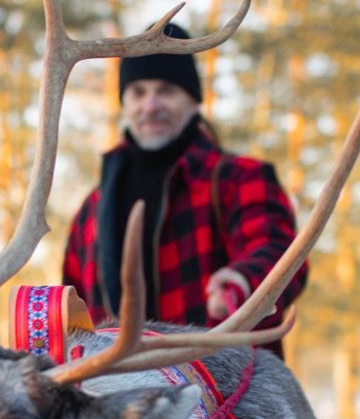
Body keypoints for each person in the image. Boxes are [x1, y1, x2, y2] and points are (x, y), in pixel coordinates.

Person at [62, 22, 307, 354]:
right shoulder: (92, 209)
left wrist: (241, 282)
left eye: (165, 90)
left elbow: (277, 252)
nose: (150, 106)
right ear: (125, 102)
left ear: (193, 100)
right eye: (138, 92)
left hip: (222, 391)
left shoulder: (240, 178)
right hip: (119, 395)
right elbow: (72, 310)